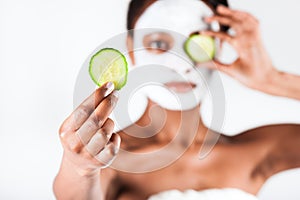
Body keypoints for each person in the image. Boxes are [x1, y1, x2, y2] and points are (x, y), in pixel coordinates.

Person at [53, 0, 300, 199]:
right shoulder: (108, 160)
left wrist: (272, 79)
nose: (181, 62)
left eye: (197, 42)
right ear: (132, 49)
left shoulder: (257, 152)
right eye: (159, 43)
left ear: (219, 49)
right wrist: (80, 169)